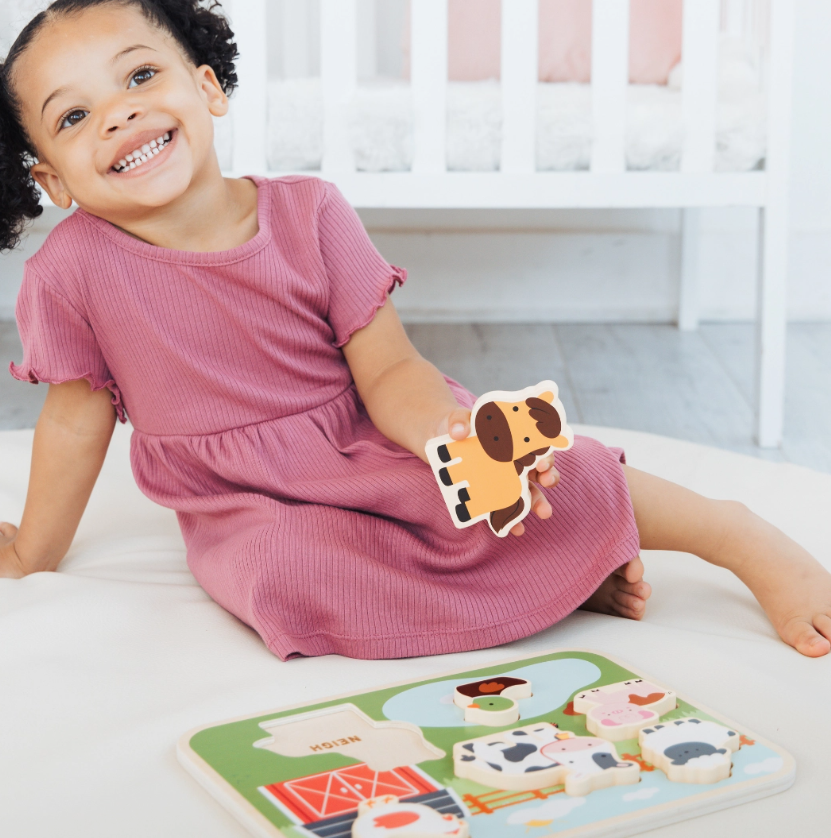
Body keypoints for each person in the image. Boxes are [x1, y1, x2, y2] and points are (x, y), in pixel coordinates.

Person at [1, 0, 829, 661]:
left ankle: (734, 536)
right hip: (244, 500)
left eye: (140, 74)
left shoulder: (309, 212)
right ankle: (555, 580)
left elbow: (390, 367)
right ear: (51, 180)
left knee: (552, 474)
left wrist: (449, 432)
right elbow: (77, 419)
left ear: (209, 88)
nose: (118, 114)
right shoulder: (69, 274)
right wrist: (35, 549)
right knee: (285, 574)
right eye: (72, 117)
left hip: (374, 435)